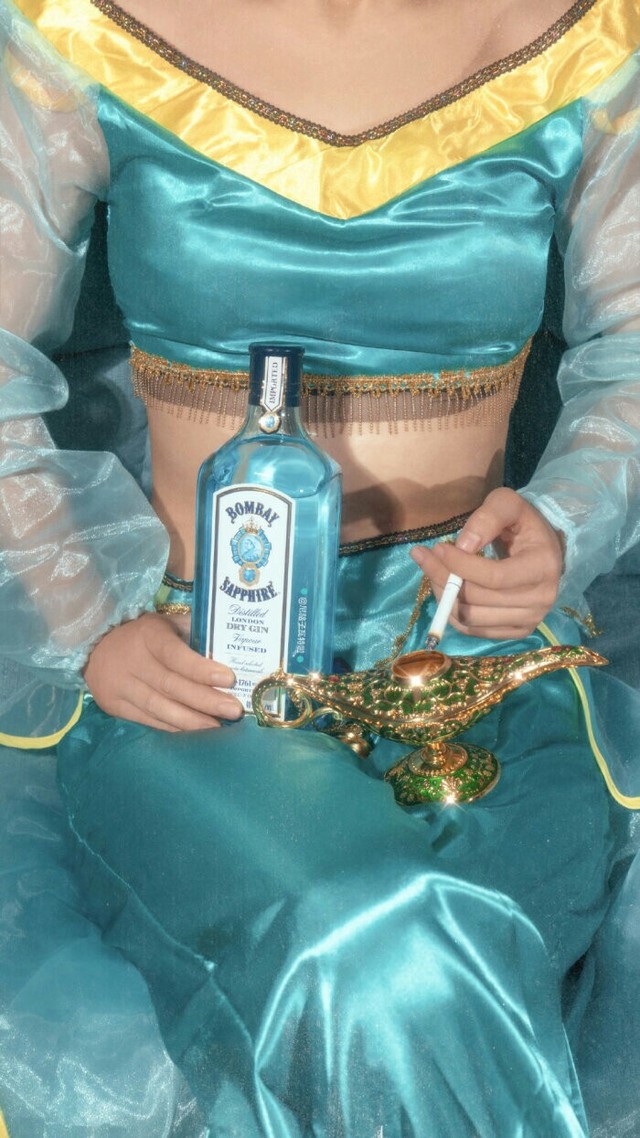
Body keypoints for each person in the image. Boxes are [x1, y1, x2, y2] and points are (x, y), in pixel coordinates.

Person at [1, 0, 640, 1134]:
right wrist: (90, 624)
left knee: (426, 934)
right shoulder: (82, 30)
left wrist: (565, 520)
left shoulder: (588, 37)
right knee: (372, 939)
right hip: (197, 663)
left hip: (478, 652)